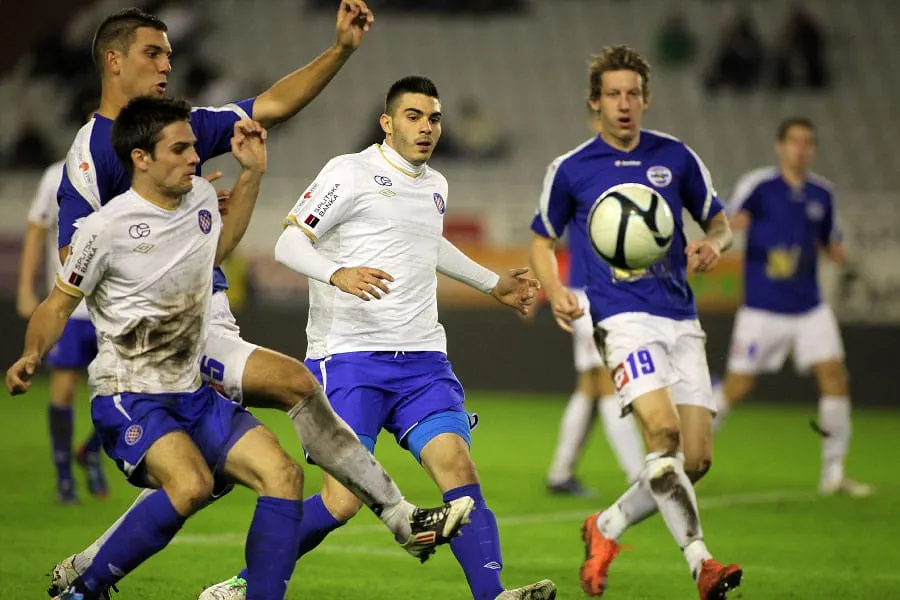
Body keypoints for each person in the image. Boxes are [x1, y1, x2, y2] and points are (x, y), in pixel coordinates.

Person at [48, 6, 474, 597]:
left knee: (219, 480)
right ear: (114, 60)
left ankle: (89, 572)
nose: (168, 63)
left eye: (171, 53)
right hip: (157, 339)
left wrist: (341, 50)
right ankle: (401, 517)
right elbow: (76, 263)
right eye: (154, 53)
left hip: (210, 321)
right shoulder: (94, 155)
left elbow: (270, 106)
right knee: (280, 401)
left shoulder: (185, 128)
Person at [200, 75, 556, 600]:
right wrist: (337, 272)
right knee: (341, 503)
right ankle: (244, 583)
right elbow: (289, 244)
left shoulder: (436, 185)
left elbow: (429, 247)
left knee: (457, 466)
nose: (426, 127)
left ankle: (493, 595)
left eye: (434, 118)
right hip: (349, 359)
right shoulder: (350, 172)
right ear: (388, 123)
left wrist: (493, 283)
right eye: (413, 116)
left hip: (422, 360)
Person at [7, 96, 306, 599]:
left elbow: (221, 248)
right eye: (182, 148)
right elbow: (59, 303)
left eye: (194, 147)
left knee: (283, 475)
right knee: (190, 485)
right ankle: (85, 589)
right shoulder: (104, 228)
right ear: (141, 158)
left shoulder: (201, 201)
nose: (196, 157)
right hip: (130, 393)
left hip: (194, 391)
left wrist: (251, 176)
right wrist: (32, 354)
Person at [528, 46, 743, 598]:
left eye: (632, 94)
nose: (623, 104)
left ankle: (606, 526)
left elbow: (719, 224)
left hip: (681, 318)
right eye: (612, 95)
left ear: (645, 99)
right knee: (663, 434)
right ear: (595, 103)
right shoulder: (572, 168)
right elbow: (540, 241)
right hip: (621, 318)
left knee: (694, 461)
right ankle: (703, 564)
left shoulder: (676, 157)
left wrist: (713, 245)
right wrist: (554, 291)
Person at [712, 117, 871, 497]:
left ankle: (833, 472)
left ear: (812, 149)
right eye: (794, 141)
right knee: (738, 386)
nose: (801, 148)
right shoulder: (759, 186)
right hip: (763, 308)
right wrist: (733, 231)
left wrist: (841, 256)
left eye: (807, 142)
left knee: (834, 376)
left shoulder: (822, 194)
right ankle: (687, 454)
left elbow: (832, 243)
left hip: (809, 306)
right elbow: (727, 224)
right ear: (779, 146)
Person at [16, 158, 108, 504]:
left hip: (114, 305)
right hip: (70, 306)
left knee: (132, 389)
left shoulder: (131, 169)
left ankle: (90, 450)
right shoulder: (56, 174)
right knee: (64, 388)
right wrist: (26, 288)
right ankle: (65, 478)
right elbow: (36, 228)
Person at [543, 226, 645, 496]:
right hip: (596, 295)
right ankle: (639, 476)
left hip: (589, 292)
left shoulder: (574, 185)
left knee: (589, 385)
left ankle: (560, 474)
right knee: (609, 381)